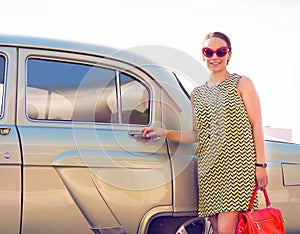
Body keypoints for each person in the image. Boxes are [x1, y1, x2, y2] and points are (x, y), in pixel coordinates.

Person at [141, 31, 268, 233]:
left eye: (221, 51)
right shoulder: (196, 94)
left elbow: (257, 124)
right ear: (203, 55)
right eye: (209, 51)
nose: (215, 56)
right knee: (218, 230)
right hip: (209, 169)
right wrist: (163, 132)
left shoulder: (242, 83)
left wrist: (260, 165)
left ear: (229, 54)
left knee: (226, 230)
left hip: (238, 166)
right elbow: (196, 134)